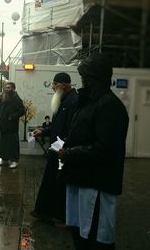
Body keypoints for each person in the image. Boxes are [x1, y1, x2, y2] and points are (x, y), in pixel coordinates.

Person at [58, 53, 129, 250]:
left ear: (95, 78)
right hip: (82, 180)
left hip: (96, 186)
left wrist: (69, 154)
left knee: (95, 240)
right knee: (81, 236)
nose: (83, 82)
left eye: (85, 77)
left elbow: (104, 149)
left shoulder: (110, 106)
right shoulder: (89, 102)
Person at [31, 72, 78, 224]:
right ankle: (44, 211)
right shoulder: (63, 100)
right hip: (56, 149)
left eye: (54, 84)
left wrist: (63, 146)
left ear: (63, 84)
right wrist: (43, 131)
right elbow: (57, 126)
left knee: (59, 184)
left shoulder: (74, 101)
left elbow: (72, 129)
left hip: (63, 151)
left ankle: (61, 216)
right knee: (50, 181)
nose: (52, 87)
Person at [0, 82, 25, 169]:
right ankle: (5, 160)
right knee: (4, 144)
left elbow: (22, 110)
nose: (6, 89)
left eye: (8, 88)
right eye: (6, 87)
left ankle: (14, 160)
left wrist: (12, 117)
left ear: (13, 89)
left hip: (12, 127)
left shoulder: (16, 99)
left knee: (13, 144)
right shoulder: (5, 98)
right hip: (4, 126)